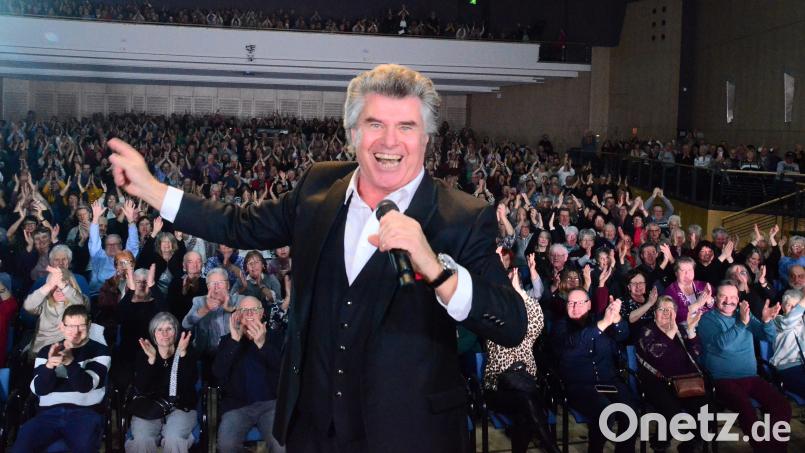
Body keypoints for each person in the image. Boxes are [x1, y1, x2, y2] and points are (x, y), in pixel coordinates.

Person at [109, 63, 526, 452]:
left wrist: (435, 268)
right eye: (375, 124)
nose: (390, 141)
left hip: (410, 434)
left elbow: (510, 324)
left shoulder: (463, 216)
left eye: (406, 126)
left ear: (426, 138)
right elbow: (238, 224)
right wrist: (151, 189)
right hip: (313, 430)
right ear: (353, 133)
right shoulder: (317, 187)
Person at [697, 282, 790, 452]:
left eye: (733, 297)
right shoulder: (707, 320)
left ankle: (776, 448)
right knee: (746, 408)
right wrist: (741, 323)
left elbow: (768, 337)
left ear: (738, 299)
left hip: (751, 377)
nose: (729, 301)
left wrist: (767, 321)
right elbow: (722, 345)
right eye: (724, 296)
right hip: (722, 380)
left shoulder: (744, 315)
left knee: (782, 405)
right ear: (715, 298)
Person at [11, 305, 110, 453]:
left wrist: (70, 363)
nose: (75, 332)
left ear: (89, 325)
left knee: (84, 446)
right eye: (70, 326)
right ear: (62, 327)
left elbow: (85, 386)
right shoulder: (47, 351)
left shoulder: (100, 351)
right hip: (48, 414)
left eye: (81, 326)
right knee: (22, 445)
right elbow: (39, 390)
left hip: (85, 413)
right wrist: (49, 366)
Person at [550, 289, 638, 453]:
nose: (575, 307)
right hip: (580, 385)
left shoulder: (599, 319)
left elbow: (622, 334)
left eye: (580, 303)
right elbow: (575, 343)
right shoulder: (560, 327)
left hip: (609, 381)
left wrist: (616, 319)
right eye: (571, 303)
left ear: (589, 304)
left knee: (630, 411)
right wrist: (603, 323)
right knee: (605, 412)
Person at [635, 296, 708, 453]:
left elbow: (696, 353)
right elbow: (656, 354)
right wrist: (671, 331)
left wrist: (690, 330)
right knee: (671, 410)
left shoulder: (680, 329)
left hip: (684, 382)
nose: (666, 313)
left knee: (704, 407)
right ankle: (660, 443)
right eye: (662, 309)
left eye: (670, 309)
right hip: (657, 382)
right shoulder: (646, 330)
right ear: (654, 312)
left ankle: (690, 444)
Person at [214, 296, 285, 452]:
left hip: (270, 405)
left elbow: (284, 370)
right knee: (226, 446)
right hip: (237, 407)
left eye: (254, 309)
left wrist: (262, 345)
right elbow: (218, 372)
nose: (249, 314)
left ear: (262, 313)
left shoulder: (276, 337)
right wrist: (234, 341)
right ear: (238, 314)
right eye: (244, 310)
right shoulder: (227, 340)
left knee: (280, 445)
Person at [126, 312, 197, 453]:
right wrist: (151, 361)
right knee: (142, 439)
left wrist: (182, 355)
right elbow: (141, 388)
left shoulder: (187, 352)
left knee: (174, 438)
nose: (164, 334)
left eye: (169, 329)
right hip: (149, 406)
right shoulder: (145, 354)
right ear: (154, 334)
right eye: (160, 329)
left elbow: (188, 385)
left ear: (176, 332)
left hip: (181, 407)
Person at [24, 265, 89, 360]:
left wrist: (62, 284)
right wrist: (49, 285)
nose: (58, 290)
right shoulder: (44, 302)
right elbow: (28, 305)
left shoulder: (79, 301)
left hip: (66, 352)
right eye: (55, 285)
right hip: (39, 352)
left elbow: (81, 304)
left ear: (71, 285)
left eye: (62, 285)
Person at [769, 289, 805, 397]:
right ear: (783, 307)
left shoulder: (802, 321)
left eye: (796, 306)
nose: (793, 309)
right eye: (789, 305)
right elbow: (789, 321)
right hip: (787, 367)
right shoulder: (777, 320)